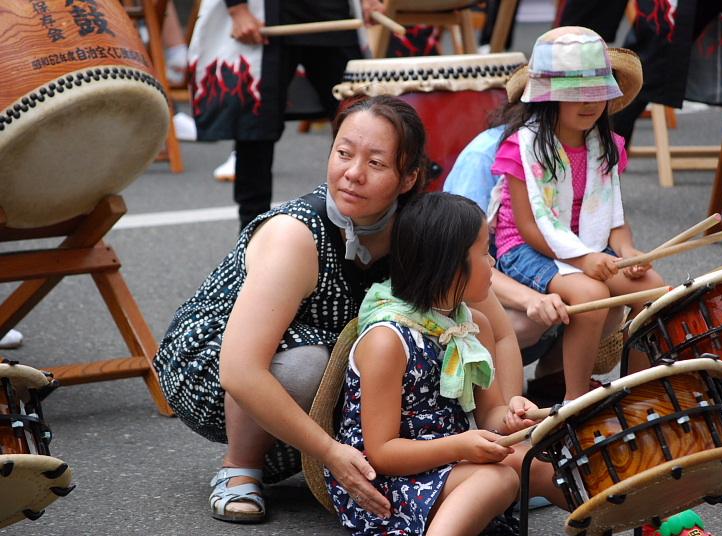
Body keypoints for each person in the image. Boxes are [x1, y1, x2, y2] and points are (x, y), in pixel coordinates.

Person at [153, 96, 530, 524]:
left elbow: (499, 331)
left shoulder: (421, 227)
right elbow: (239, 370)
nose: (353, 173)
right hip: (215, 371)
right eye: (344, 153)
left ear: (408, 177)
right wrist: (332, 453)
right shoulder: (295, 235)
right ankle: (240, 467)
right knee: (307, 365)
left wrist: (506, 422)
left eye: (376, 163)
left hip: (328, 359)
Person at [325, 192, 562, 535]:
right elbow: (382, 453)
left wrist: (511, 416)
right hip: (383, 484)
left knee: (539, 463)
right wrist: (460, 446)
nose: (493, 261)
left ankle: (620, 515)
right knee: (497, 479)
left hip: (447, 459)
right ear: (450, 266)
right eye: (484, 252)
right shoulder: (387, 340)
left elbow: (490, 413)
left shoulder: (470, 325)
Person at [490, 27, 665, 402]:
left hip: (588, 246)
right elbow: (529, 227)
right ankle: (574, 401)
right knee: (590, 295)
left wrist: (628, 251)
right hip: (527, 248)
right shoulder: (521, 147)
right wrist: (584, 259)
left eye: (597, 91)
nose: (589, 103)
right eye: (575, 93)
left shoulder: (607, 145)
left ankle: (637, 395)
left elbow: (614, 218)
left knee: (655, 291)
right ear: (548, 96)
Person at [189, 0, 383, 229]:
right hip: (267, 13)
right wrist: (237, 9)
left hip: (332, 11)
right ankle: (251, 236)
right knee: (256, 130)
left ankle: (365, 231)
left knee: (363, 119)